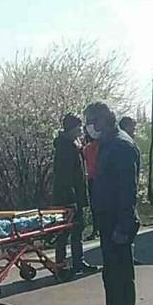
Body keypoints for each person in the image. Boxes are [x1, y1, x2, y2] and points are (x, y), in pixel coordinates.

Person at [84, 102, 141, 305]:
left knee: (121, 276)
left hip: (119, 222)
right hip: (108, 221)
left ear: (105, 120)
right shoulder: (107, 144)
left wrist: (123, 226)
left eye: (92, 121)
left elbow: (127, 190)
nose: (89, 127)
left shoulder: (121, 145)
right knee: (111, 275)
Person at [52, 113, 96, 274]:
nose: (80, 129)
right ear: (70, 128)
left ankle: (74, 262)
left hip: (73, 194)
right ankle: (64, 264)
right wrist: (73, 199)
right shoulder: (66, 148)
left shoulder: (71, 145)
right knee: (67, 230)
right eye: (77, 126)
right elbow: (65, 176)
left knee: (75, 229)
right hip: (68, 196)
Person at [82, 132, 100, 241]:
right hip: (100, 178)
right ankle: (99, 228)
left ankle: (95, 229)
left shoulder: (86, 149)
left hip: (91, 179)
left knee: (94, 206)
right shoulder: (101, 145)